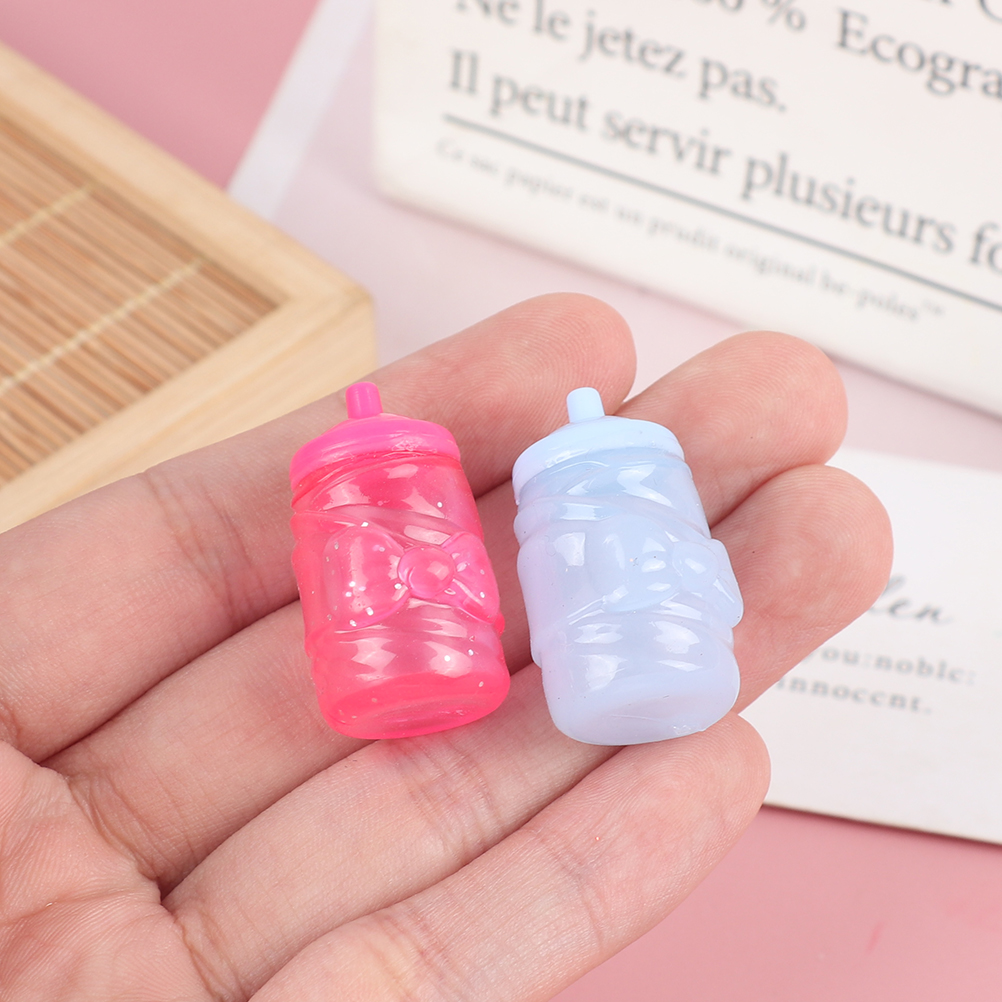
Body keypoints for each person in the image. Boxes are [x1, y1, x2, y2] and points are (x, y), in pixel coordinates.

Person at [0, 294, 891, 1001]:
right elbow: (386, 582)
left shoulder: (591, 513)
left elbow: (555, 574)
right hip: (412, 678)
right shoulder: (369, 521)